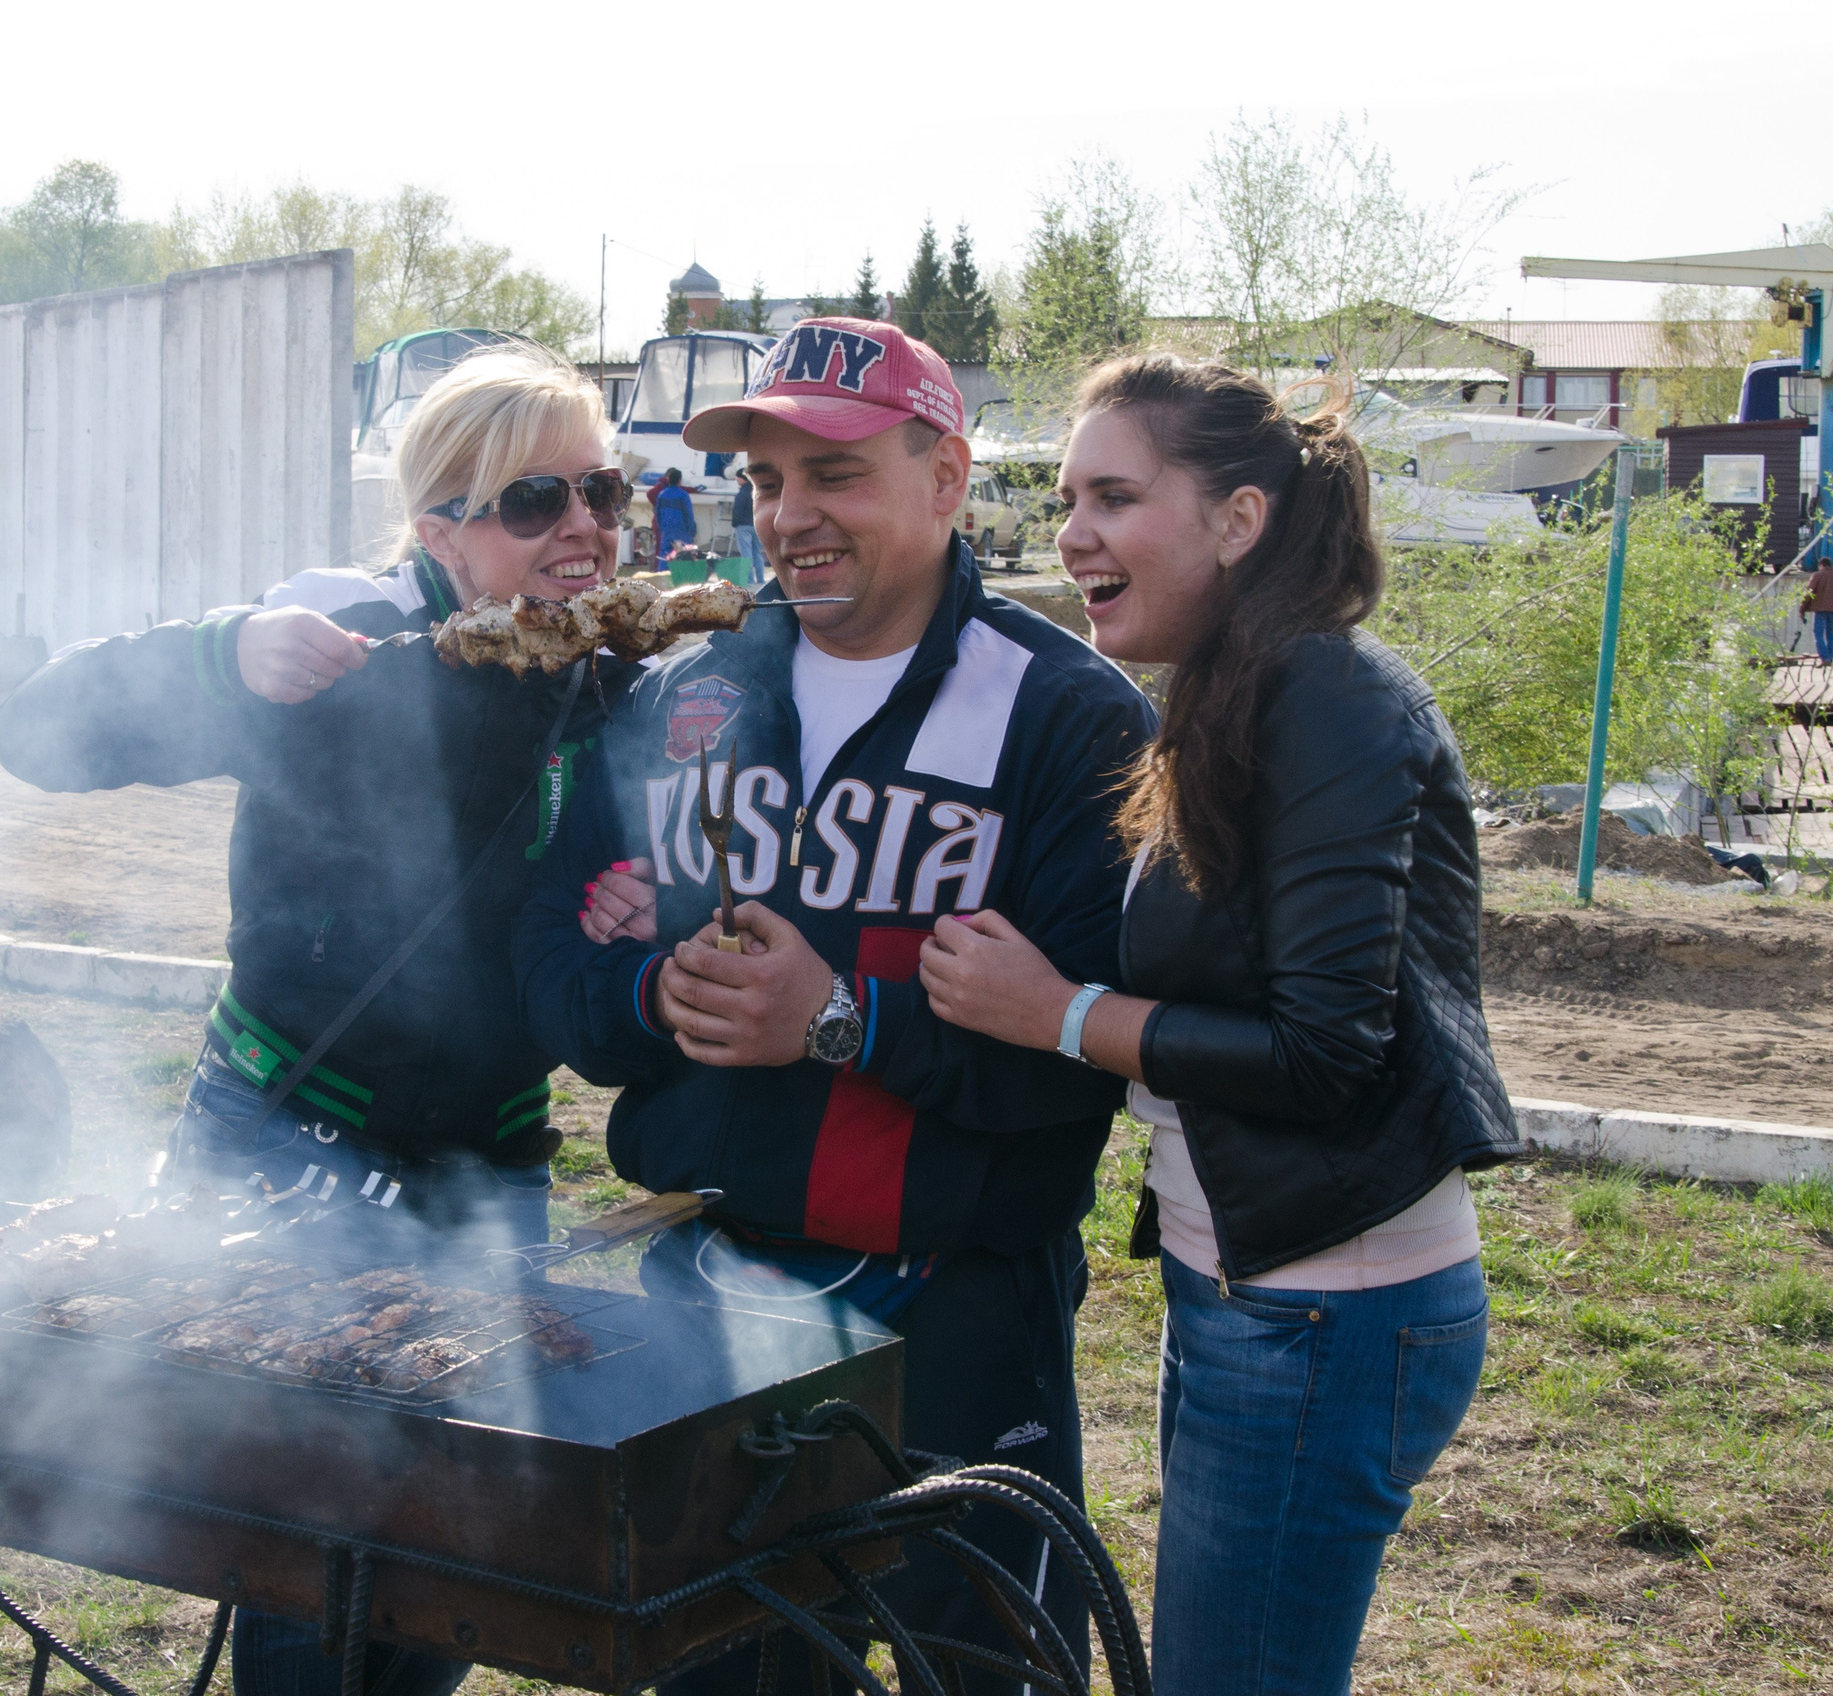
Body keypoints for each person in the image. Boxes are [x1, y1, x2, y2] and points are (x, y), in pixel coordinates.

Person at [515, 318, 1156, 1695]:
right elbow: (557, 979)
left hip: (960, 1323)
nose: (789, 518)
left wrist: (839, 1020)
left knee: (972, 1675)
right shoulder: (675, 692)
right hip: (710, 1298)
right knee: (713, 1674)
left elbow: (1075, 1073)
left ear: (946, 479)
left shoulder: (1070, 719)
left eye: (836, 475)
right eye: (765, 483)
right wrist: (654, 988)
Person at [0, 343, 637, 1696]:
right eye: (537, 502)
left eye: (605, 490)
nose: (582, 527)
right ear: (439, 528)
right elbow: (36, 734)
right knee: (307, 1538)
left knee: (454, 1531)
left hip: (492, 1153)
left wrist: (627, 903)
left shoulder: (612, 673)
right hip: (292, 1129)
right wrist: (221, 654)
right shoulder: (333, 648)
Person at [912, 354, 1519, 1696]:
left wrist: (1058, 1016)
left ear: (1239, 521)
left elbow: (1323, 1053)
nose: (1072, 534)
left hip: (1324, 1313)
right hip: (1255, 1290)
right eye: (1065, 497)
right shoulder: (1229, 690)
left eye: (1115, 497)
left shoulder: (1328, 704)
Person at [650, 464, 698, 557]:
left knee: (665, 555)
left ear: (668, 479)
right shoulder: (683, 495)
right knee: (683, 556)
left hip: (666, 531)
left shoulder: (661, 494)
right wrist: (691, 531)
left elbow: (658, 515)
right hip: (681, 531)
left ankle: (663, 571)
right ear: (679, 481)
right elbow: (689, 514)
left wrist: (662, 529)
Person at [726, 466, 758, 586]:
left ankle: (750, 579)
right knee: (757, 553)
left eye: (737, 478)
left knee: (746, 554)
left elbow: (738, 512)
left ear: (743, 478)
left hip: (743, 526)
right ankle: (760, 578)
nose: (736, 480)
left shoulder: (742, 493)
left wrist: (735, 523)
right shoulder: (755, 491)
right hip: (755, 525)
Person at [1807, 555, 1833, 663]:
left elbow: (1809, 593)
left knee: (1818, 634)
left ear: (1821, 565)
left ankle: (1825, 658)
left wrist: (1802, 609)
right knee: (1831, 634)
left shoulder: (1817, 575)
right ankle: (1831, 657)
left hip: (1821, 610)